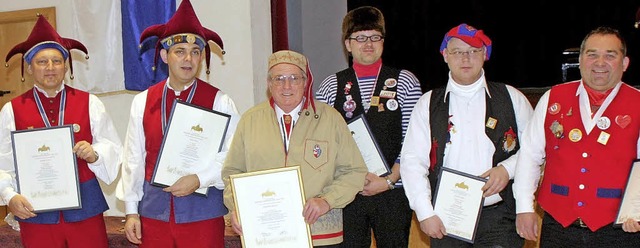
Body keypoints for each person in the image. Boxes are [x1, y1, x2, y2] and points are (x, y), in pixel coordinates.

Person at [115, 0, 240, 247]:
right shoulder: (143, 102)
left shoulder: (220, 101)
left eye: (195, 52)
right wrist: (131, 210)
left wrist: (201, 178)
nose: (188, 59)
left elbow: (232, 155)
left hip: (202, 212)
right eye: (179, 51)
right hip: (154, 213)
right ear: (164, 55)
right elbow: (134, 158)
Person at [400, 23, 533, 247]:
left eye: (473, 51)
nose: (465, 58)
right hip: (446, 216)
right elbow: (412, 161)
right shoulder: (427, 103)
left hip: (500, 216)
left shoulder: (512, 97)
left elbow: (534, 152)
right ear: (445, 55)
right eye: (457, 52)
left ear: (485, 55)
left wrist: (507, 169)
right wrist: (424, 213)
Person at [222, 50, 368, 247]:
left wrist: (327, 200)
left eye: (294, 78)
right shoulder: (250, 120)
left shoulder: (330, 119)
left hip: (320, 233)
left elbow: (355, 171)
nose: (286, 86)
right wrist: (237, 207)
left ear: (305, 81)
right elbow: (232, 173)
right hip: (265, 235)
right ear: (269, 83)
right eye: (279, 78)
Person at [0, 15, 123, 247]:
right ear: (29, 67)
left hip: (85, 206)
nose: (50, 68)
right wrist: (10, 196)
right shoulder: (11, 110)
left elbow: (113, 147)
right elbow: (2, 161)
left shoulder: (90, 103)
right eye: (41, 62)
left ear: (66, 65)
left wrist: (95, 153)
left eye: (56, 61)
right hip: (35, 208)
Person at [514, 26, 640, 247]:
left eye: (610, 55)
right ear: (580, 60)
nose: (600, 63)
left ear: (625, 63)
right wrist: (524, 207)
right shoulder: (552, 98)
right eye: (592, 55)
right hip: (558, 228)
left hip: (619, 232)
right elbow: (529, 155)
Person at [315, 6, 422, 247]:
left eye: (375, 37)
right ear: (347, 44)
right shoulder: (331, 86)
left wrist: (390, 180)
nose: (368, 44)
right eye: (360, 38)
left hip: (392, 191)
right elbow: (321, 141)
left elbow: (414, 141)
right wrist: (347, 182)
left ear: (383, 41)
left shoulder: (405, 81)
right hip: (347, 196)